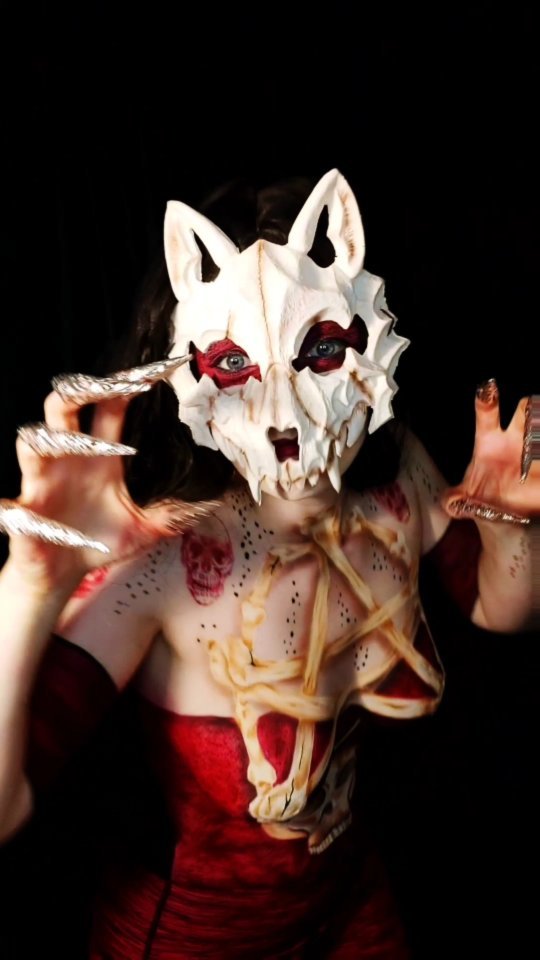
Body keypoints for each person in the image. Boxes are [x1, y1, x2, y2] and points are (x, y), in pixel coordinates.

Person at [0, 169, 537, 959]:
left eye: (319, 350)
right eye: (234, 364)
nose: (283, 416)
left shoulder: (395, 476)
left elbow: (502, 608)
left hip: (350, 906)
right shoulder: (160, 558)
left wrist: (513, 527)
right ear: (189, 369)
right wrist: (30, 586)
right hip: (191, 942)